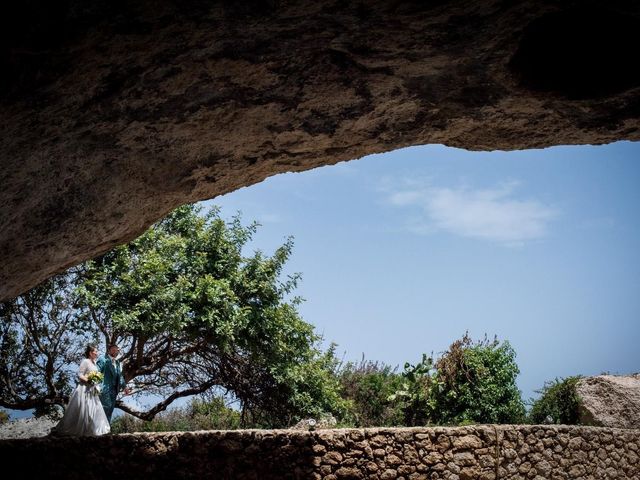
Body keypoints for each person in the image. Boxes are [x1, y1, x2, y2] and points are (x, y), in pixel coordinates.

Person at [51, 345, 111, 436]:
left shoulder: (94, 363)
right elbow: (80, 374)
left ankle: (91, 430)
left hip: (92, 390)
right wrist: (89, 380)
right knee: (82, 410)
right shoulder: (85, 361)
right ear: (90, 353)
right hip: (84, 389)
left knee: (94, 410)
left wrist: (96, 382)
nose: (97, 353)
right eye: (95, 351)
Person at [97, 343, 130, 422]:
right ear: (109, 350)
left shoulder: (118, 363)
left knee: (110, 409)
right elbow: (97, 372)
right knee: (105, 407)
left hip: (114, 390)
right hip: (104, 388)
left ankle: (106, 430)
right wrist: (97, 386)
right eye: (113, 349)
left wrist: (125, 387)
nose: (116, 351)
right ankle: (99, 430)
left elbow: (120, 376)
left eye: (117, 350)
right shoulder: (102, 359)